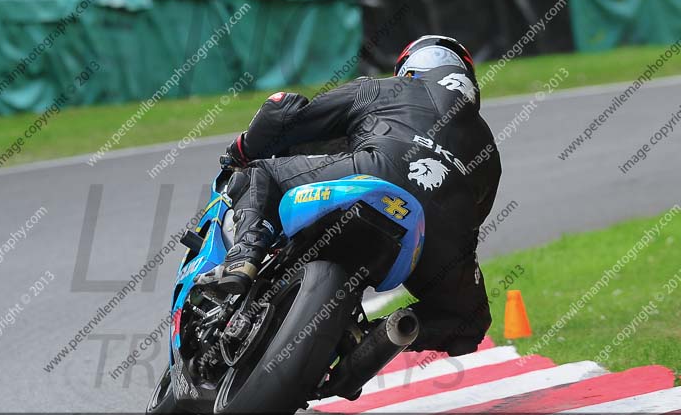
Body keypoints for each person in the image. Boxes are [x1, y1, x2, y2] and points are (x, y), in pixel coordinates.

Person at [195, 35, 501, 357]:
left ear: (409, 69)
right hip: (438, 231)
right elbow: (473, 219)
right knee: (468, 321)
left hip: (375, 172)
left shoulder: (386, 88)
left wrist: (242, 149)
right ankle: (372, 338)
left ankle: (244, 257)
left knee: (259, 172)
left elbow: (285, 112)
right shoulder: (490, 151)